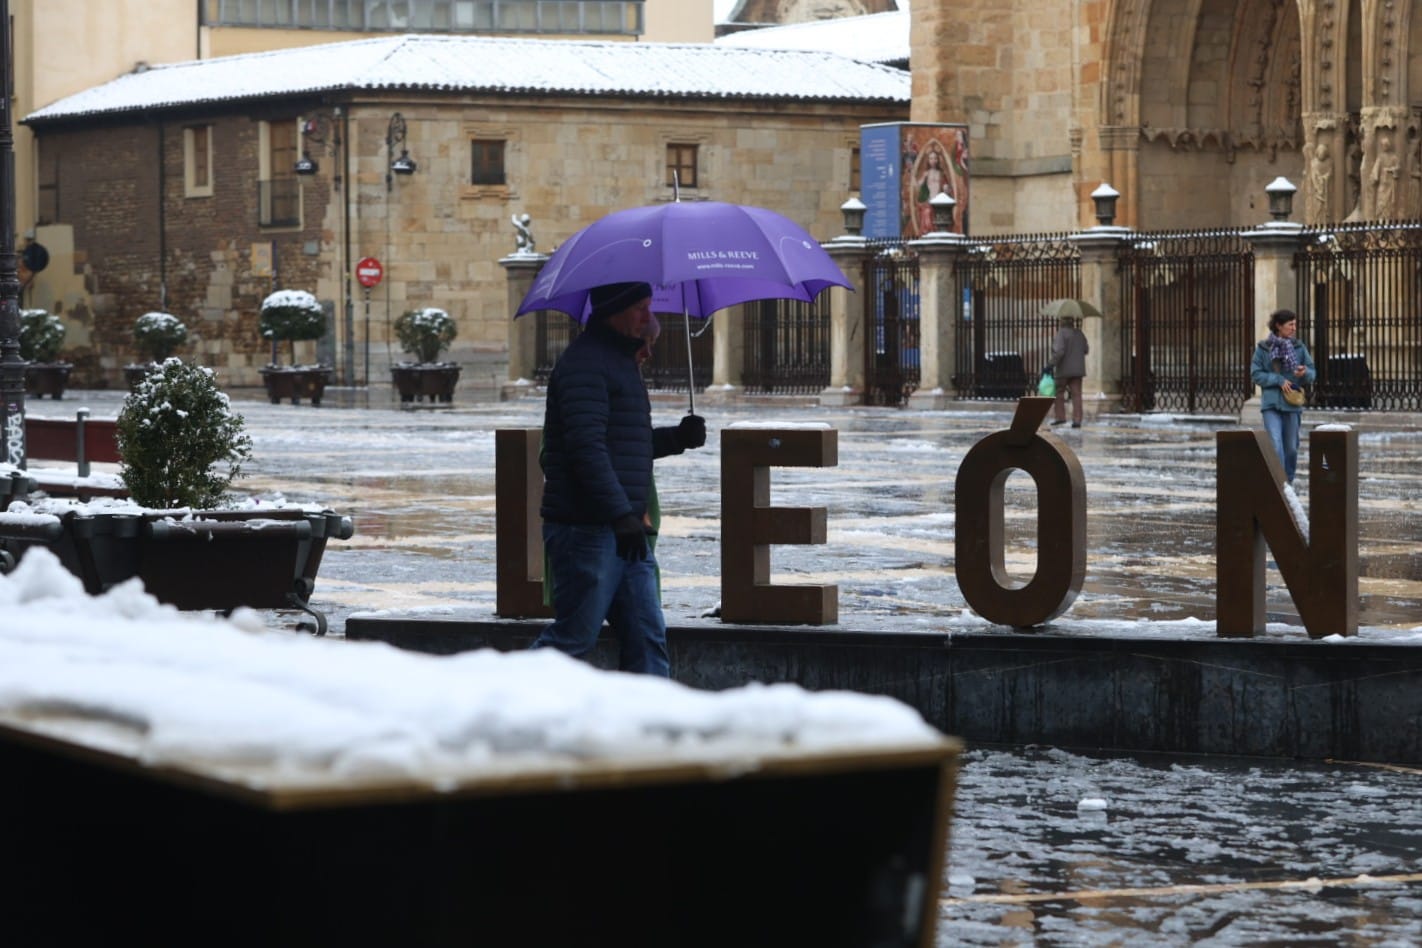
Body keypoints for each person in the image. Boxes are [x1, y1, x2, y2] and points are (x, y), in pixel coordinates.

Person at [532, 282, 706, 676]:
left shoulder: (619, 361)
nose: (649, 317)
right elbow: (587, 448)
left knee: (647, 636)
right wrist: (619, 514)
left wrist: (677, 438)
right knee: (574, 637)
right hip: (589, 529)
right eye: (640, 308)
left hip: (625, 530)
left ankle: (650, 729)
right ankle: (495, 705)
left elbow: (625, 444)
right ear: (614, 310)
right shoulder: (585, 364)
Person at [1250, 308, 1316, 485]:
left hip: (1292, 405)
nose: (1294, 328)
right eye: (1290, 324)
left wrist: (1305, 373)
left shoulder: (1299, 348)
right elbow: (1256, 374)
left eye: (1295, 324)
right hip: (1271, 405)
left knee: (1291, 449)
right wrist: (1278, 380)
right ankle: (1279, 485)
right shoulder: (1263, 349)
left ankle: (1289, 482)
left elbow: (1312, 372)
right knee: (1275, 444)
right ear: (1279, 326)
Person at [1047, 315, 1089, 428]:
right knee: (1077, 395)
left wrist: (1051, 364)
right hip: (1078, 370)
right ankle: (1077, 420)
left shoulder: (1061, 333)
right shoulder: (1080, 333)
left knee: (1059, 392)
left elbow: (1059, 352)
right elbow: (1086, 349)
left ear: (1062, 322)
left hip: (1063, 370)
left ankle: (1060, 417)